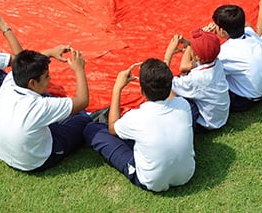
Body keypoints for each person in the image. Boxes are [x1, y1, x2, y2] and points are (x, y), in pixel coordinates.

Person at [83, 59, 195, 192]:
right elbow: (170, 94)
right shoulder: (183, 105)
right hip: (187, 174)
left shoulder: (136, 117)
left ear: (142, 91)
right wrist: (162, 72)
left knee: (93, 130)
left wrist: (117, 88)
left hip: (152, 182)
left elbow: (112, 128)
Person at [0, 49, 91, 172]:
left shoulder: (9, 82)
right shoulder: (39, 106)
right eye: (46, 77)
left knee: (53, 103)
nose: (50, 79)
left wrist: (50, 52)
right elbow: (82, 101)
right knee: (83, 119)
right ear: (32, 83)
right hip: (34, 161)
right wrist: (79, 70)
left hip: (5, 154)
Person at [208, 4, 262, 111]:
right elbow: (247, 26)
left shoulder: (225, 52)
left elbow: (207, 69)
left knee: (212, 81)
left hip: (246, 100)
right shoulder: (251, 34)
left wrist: (204, 37)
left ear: (222, 31)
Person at [163, 29, 229, 131]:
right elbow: (184, 67)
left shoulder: (197, 78)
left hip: (207, 123)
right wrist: (190, 44)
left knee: (168, 91)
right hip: (219, 117)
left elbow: (164, 81)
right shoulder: (216, 63)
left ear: (197, 57)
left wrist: (168, 54)